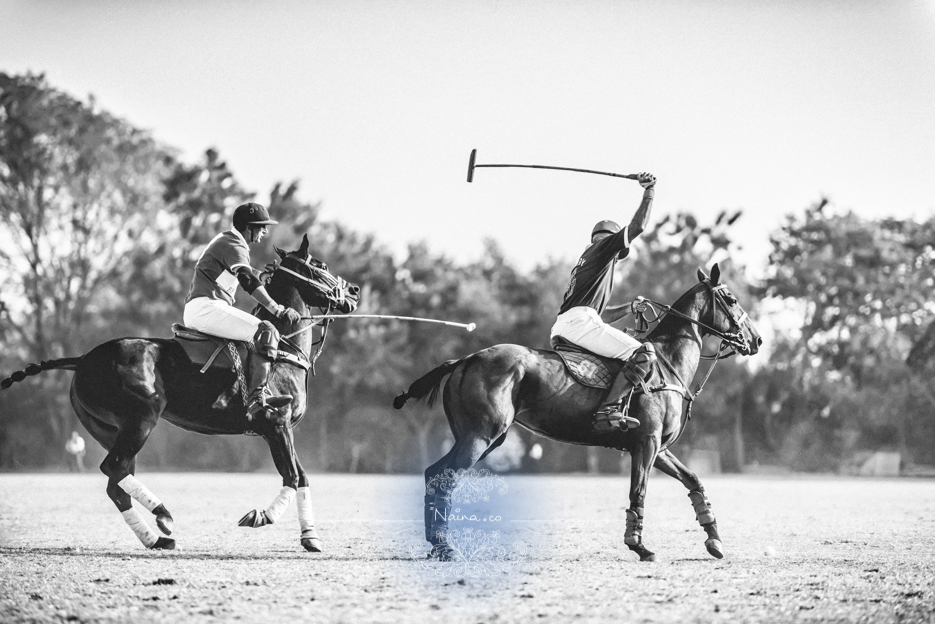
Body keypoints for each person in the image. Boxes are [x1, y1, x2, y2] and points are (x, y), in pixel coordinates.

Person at [550, 172, 658, 431]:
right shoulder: (602, 248)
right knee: (644, 354)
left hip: (569, 324)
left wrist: (629, 308)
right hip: (579, 324)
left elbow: (598, 315)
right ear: (608, 239)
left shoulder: (588, 261)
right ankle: (608, 410)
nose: (619, 256)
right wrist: (649, 191)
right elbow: (638, 228)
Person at [183, 202, 302, 421]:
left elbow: (240, 273)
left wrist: (263, 276)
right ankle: (258, 399)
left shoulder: (228, 241)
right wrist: (277, 309)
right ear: (250, 227)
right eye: (262, 227)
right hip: (207, 307)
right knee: (267, 331)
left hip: (201, 308)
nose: (265, 231)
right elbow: (246, 280)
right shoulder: (234, 244)